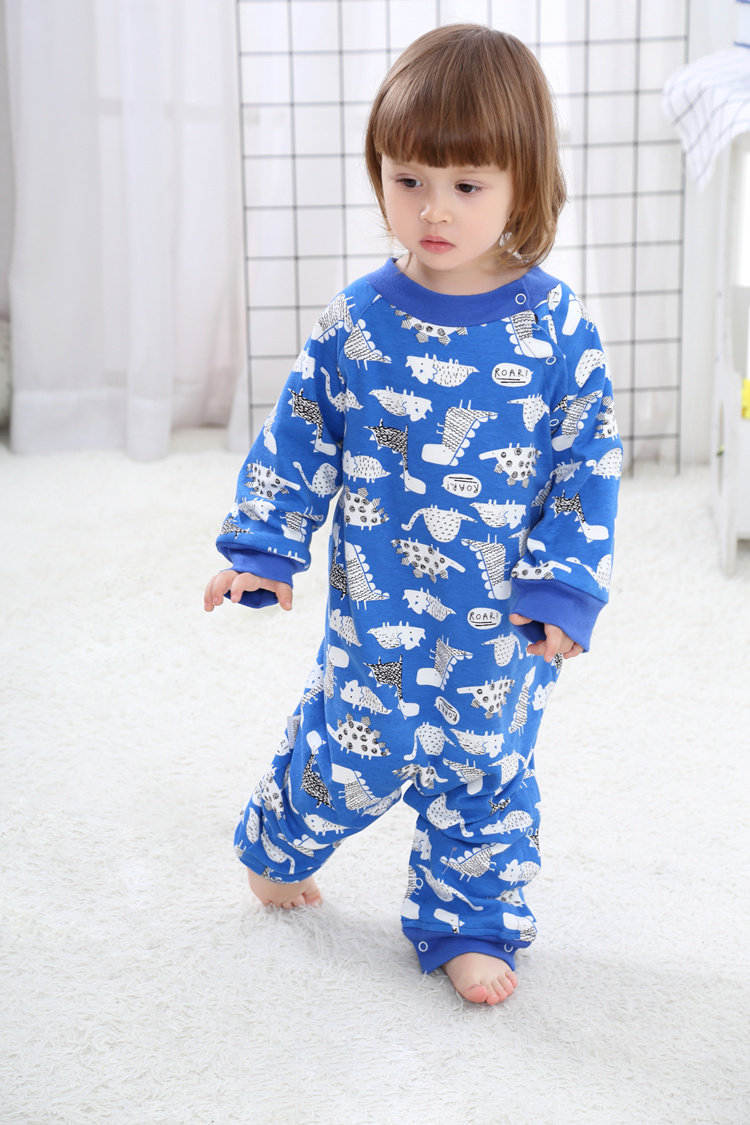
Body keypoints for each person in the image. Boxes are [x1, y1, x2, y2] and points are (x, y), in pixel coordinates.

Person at [204, 24, 622, 1006]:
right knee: (350, 750)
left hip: (501, 627)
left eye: (467, 185)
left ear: (524, 183)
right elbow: (300, 438)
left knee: (487, 772)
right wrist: (264, 549)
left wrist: (565, 590)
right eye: (408, 179)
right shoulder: (358, 322)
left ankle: (469, 921)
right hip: (377, 616)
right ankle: (277, 842)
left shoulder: (557, 330)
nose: (433, 209)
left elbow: (588, 467)